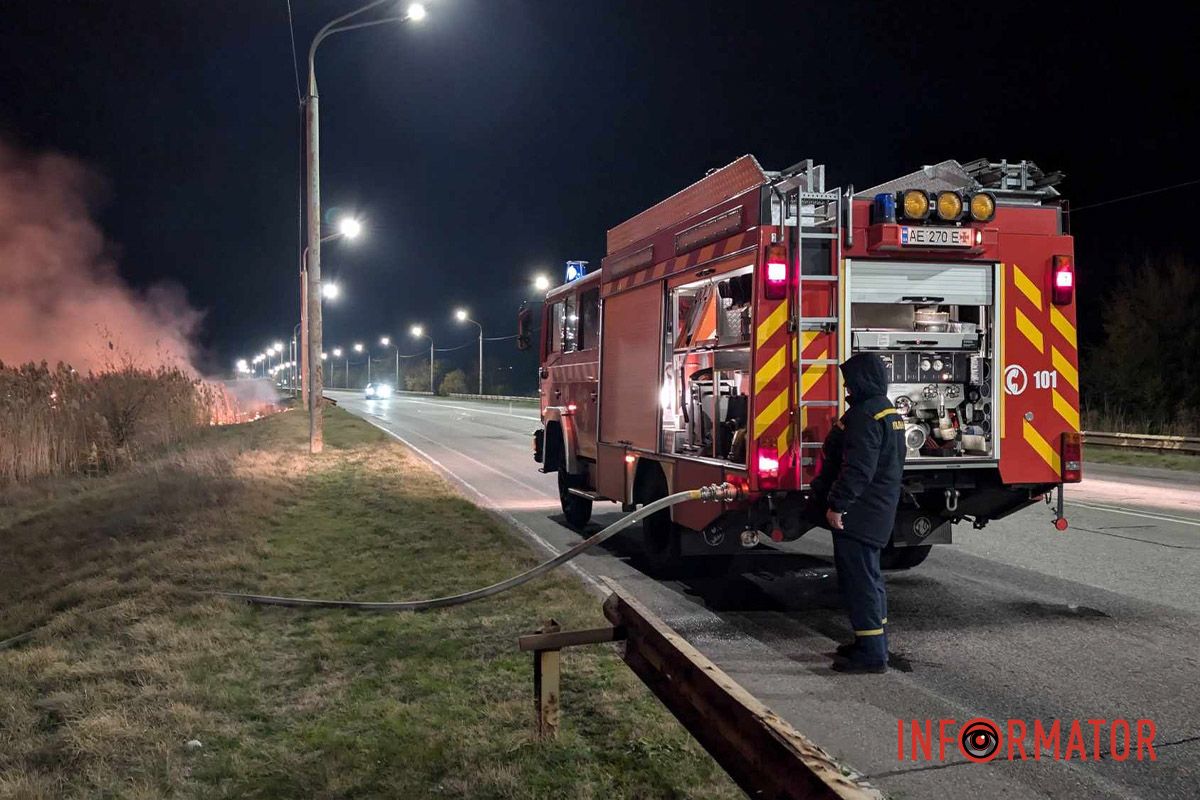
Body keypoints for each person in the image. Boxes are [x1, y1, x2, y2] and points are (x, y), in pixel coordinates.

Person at [817, 352, 906, 674]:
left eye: (849, 382)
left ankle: (871, 656)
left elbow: (858, 469)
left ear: (861, 381)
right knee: (871, 578)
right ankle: (871, 641)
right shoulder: (887, 412)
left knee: (860, 582)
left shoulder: (865, 416)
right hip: (878, 509)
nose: (846, 388)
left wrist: (838, 505)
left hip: (860, 513)